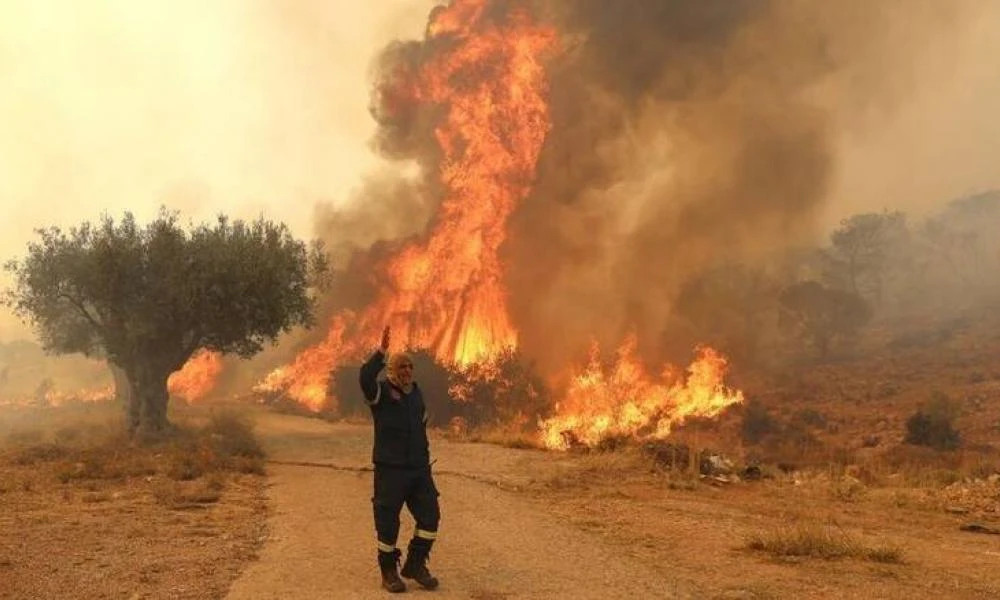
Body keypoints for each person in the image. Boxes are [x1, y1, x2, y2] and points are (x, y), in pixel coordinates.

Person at [359, 326, 441, 593]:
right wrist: (381, 353)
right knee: (387, 523)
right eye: (401, 367)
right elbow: (365, 377)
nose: (406, 371)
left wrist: (424, 460)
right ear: (392, 371)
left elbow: (422, 427)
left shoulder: (416, 394)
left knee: (430, 517)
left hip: (418, 470)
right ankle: (389, 572)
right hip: (390, 471)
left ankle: (416, 565)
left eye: (410, 367)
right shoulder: (380, 393)